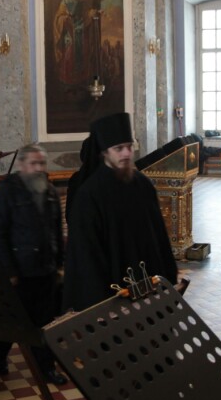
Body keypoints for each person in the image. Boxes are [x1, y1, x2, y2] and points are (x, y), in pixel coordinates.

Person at [63, 112, 178, 312]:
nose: (126, 153)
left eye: (129, 147)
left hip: (149, 284)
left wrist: (168, 277)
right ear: (105, 153)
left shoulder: (143, 184)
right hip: (113, 292)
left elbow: (159, 236)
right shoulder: (89, 194)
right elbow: (86, 255)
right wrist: (100, 304)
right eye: (118, 149)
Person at [0, 144, 67, 384]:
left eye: (42, 163)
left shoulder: (49, 191)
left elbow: (56, 230)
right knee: (11, 322)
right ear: (22, 165)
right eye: (34, 163)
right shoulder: (8, 193)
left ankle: (46, 369)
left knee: (45, 322)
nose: (39, 168)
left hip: (45, 268)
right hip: (19, 271)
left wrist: (59, 263)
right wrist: (9, 270)